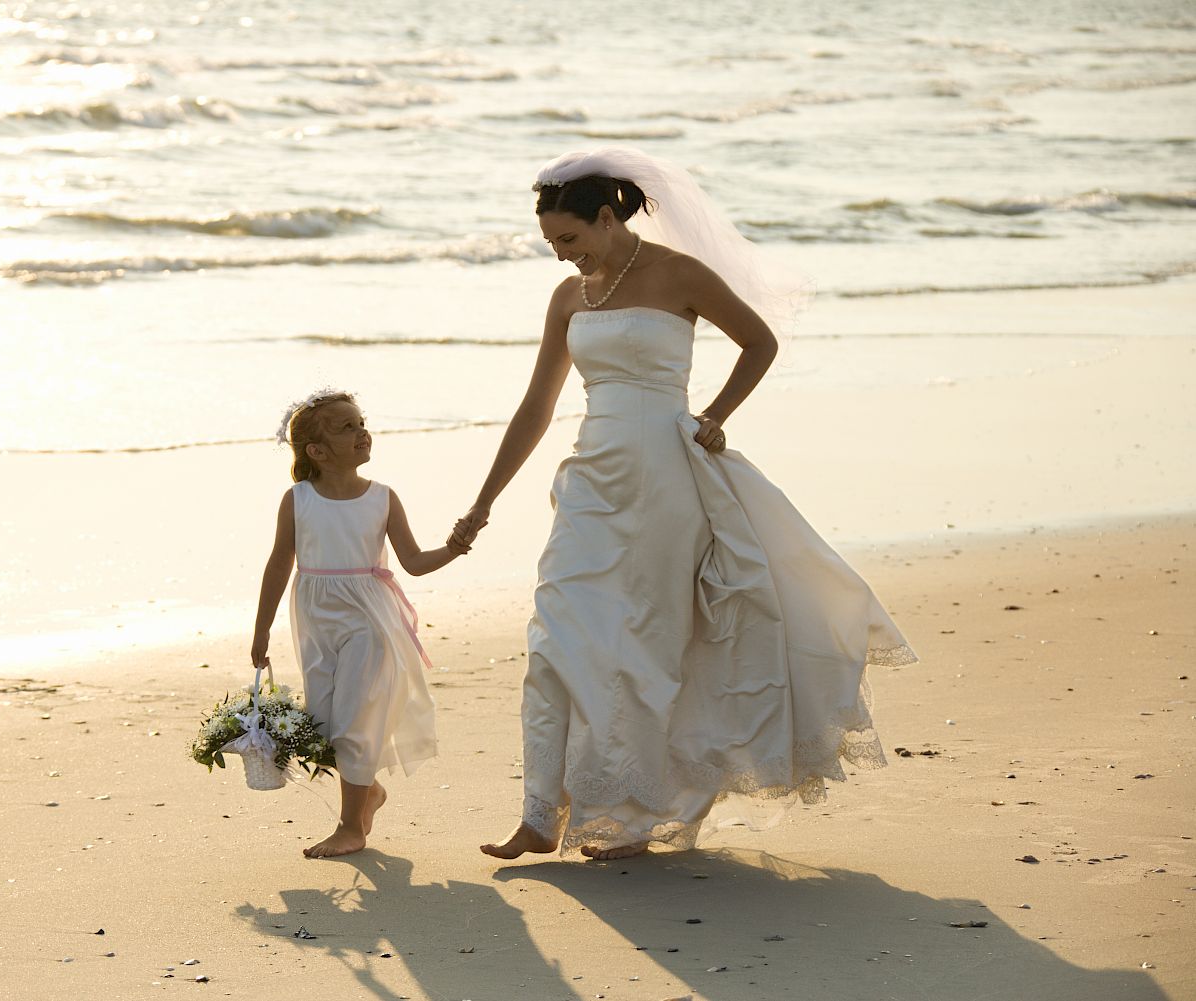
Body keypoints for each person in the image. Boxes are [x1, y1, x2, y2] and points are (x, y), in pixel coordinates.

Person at [452, 147, 916, 861]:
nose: (562, 257)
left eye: (570, 240)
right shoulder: (569, 298)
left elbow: (758, 341)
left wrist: (717, 414)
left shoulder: (680, 276)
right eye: (551, 245)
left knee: (643, 647)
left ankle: (632, 817)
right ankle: (540, 811)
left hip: (667, 479)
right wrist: (482, 502)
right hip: (591, 478)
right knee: (553, 639)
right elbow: (536, 406)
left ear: (608, 218)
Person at [252, 388, 469, 858]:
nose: (361, 432)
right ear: (317, 450)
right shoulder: (298, 500)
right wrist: (261, 630)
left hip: (371, 616)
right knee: (327, 718)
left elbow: (411, 561)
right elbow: (277, 564)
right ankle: (367, 793)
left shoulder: (383, 498)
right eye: (346, 427)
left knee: (356, 718)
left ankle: (351, 826)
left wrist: (452, 547)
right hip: (314, 614)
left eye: (361, 422)